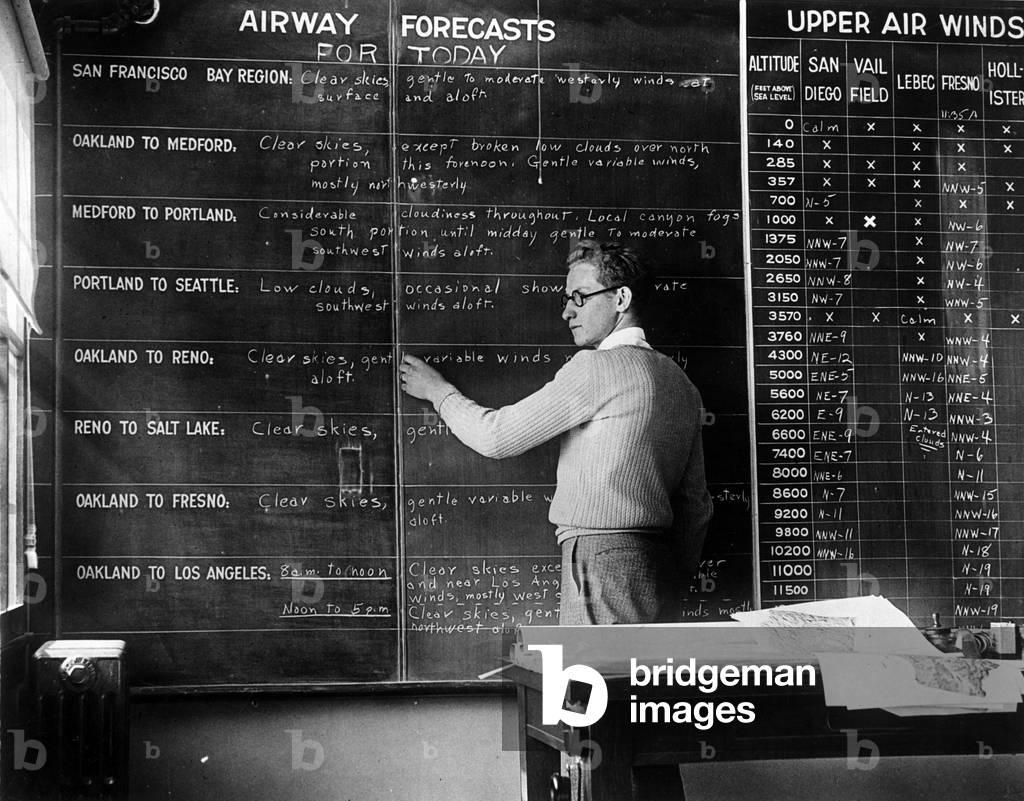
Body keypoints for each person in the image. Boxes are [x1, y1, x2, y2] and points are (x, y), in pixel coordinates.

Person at [399, 240, 712, 624]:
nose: (567, 311)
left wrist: (438, 393)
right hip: (659, 568)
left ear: (621, 299)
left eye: (580, 297)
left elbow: (496, 438)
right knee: (643, 666)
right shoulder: (682, 384)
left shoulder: (596, 368)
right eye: (567, 299)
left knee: (591, 666)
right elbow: (697, 507)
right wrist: (670, 579)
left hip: (600, 558)